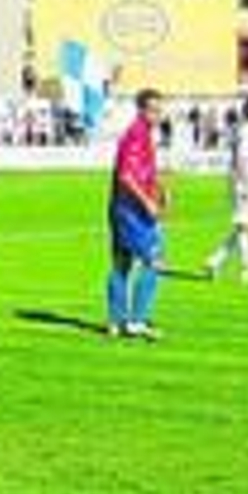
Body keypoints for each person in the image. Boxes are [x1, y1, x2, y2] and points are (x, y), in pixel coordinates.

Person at [105, 88, 168, 341]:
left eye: (159, 109)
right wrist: (147, 202)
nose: (158, 114)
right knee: (155, 259)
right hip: (131, 210)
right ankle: (138, 320)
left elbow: (145, 170)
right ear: (141, 110)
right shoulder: (136, 135)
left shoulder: (143, 135)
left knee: (122, 264)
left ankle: (115, 321)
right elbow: (126, 176)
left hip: (122, 208)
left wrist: (161, 188)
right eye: (153, 109)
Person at [205, 93, 248, 285]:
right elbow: (239, 159)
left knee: (244, 226)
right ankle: (245, 272)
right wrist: (243, 185)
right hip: (244, 183)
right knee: (245, 226)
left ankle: (215, 261)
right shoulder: (246, 132)